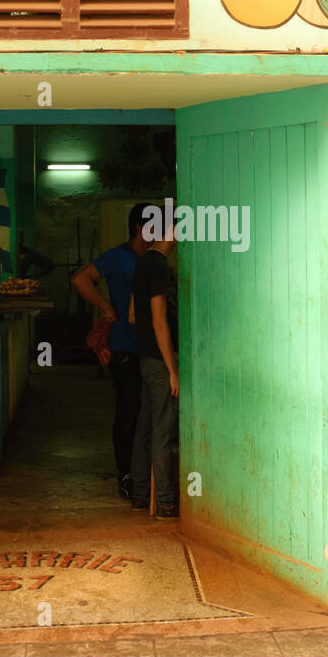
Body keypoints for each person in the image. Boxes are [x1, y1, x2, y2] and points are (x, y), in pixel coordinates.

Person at [70, 203, 155, 501]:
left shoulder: (155, 259)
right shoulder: (118, 257)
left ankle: (147, 476)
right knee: (128, 413)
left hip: (152, 348)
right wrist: (106, 308)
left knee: (150, 415)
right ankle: (127, 476)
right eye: (154, 225)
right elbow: (80, 278)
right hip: (124, 347)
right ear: (138, 227)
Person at [128, 214, 179, 518]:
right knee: (163, 429)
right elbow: (158, 320)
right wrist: (172, 368)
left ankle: (139, 494)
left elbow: (134, 314)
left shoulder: (142, 262)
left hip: (144, 357)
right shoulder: (158, 265)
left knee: (145, 427)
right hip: (159, 361)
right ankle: (164, 501)